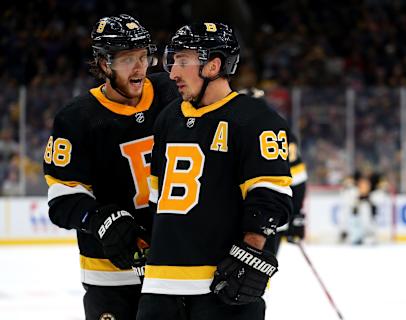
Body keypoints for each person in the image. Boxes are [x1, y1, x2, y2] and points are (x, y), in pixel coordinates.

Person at [137, 22, 293, 320]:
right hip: (160, 284)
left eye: (183, 61)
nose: (173, 73)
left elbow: (270, 196)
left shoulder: (256, 119)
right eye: (173, 61)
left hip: (221, 284)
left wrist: (251, 253)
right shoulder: (168, 118)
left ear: (213, 65)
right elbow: (157, 200)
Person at [43, 14, 179, 320]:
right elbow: (62, 200)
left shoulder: (171, 94)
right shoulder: (76, 119)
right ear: (104, 65)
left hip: (173, 265)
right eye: (128, 58)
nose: (140, 67)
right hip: (111, 275)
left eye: (144, 56)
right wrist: (99, 219)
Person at [238, 87, 307, 255]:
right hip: (258, 216)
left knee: (253, 276)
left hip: (262, 218)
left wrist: (296, 214)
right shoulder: (277, 128)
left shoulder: (277, 131)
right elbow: (298, 179)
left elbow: (297, 178)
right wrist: (296, 214)